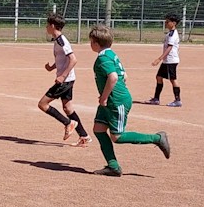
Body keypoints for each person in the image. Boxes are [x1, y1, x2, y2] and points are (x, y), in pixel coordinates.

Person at [88, 24, 170, 177]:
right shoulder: (111, 54)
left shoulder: (103, 58)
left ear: (96, 43)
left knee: (117, 137)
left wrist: (105, 97)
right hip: (112, 99)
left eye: (91, 41)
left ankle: (157, 138)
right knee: (98, 129)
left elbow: (113, 77)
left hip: (115, 101)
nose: (90, 44)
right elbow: (124, 76)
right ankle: (113, 167)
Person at [39, 13, 91, 146]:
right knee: (68, 108)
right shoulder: (57, 40)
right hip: (69, 79)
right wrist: (52, 67)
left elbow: (73, 59)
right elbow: (63, 59)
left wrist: (62, 76)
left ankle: (68, 123)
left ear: (52, 26)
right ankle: (84, 136)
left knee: (43, 104)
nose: (46, 27)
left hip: (65, 80)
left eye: (47, 25)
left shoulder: (62, 41)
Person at [145, 13, 181, 107]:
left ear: (173, 23)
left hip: (170, 61)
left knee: (173, 79)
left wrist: (159, 59)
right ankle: (156, 99)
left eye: (167, 21)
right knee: (159, 77)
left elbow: (169, 48)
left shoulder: (173, 34)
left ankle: (178, 100)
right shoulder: (170, 33)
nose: (166, 23)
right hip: (167, 60)